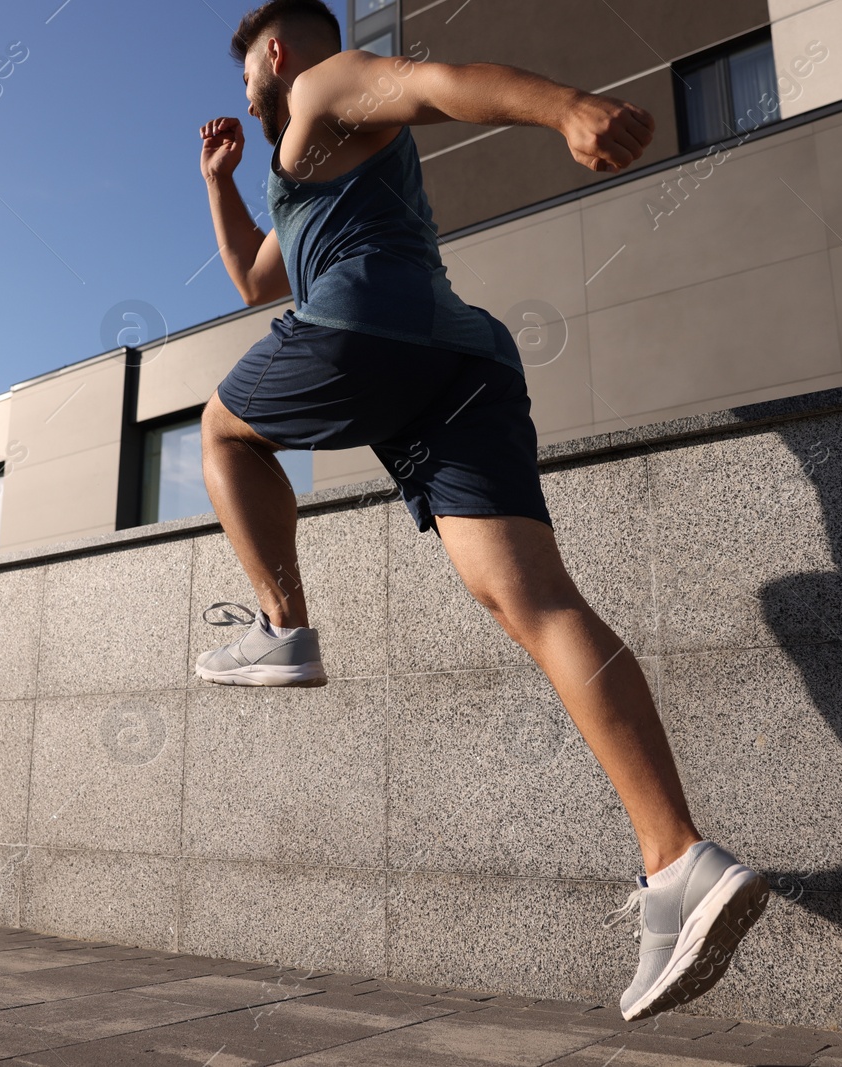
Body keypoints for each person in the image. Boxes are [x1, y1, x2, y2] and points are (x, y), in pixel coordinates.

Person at [193, 0, 768, 1020]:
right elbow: (251, 274)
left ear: (274, 55)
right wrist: (223, 185)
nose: (249, 93)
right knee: (527, 601)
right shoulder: (312, 160)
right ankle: (677, 859)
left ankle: (283, 624)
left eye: (249, 76)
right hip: (460, 364)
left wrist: (566, 110)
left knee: (222, 432)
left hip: (370, 332)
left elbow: (439, 84)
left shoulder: (324, 86)